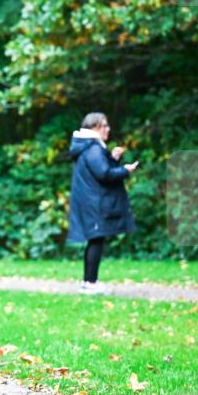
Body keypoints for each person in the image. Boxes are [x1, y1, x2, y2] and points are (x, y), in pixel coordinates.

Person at [67, 112, 138, 294]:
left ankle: (88, 282)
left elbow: (100, 169)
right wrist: (125, 170)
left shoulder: (88, 147)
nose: (108, 129)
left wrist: (113, 159)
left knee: (95, 239)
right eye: (104, 125)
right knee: (96, 240)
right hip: (95, 202)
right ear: (94, 128)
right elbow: (104, 174)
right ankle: (90, 283)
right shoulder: (93, 148)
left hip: (89, 201)